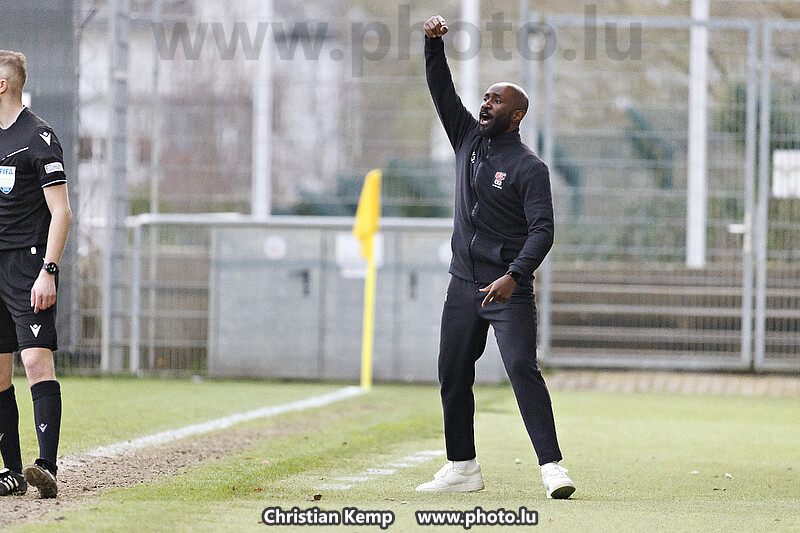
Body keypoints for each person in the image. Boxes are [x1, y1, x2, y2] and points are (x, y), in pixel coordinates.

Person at [416, 16, 575, 499]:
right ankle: (463, 468)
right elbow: (441, 91)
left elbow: (543, 231)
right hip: (463, 285)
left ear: (517, 115)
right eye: (485, 97)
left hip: (508, 290)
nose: (486, 104)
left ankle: (552, 468)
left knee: (522, 369)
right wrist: (432, 45)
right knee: (452, 372)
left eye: (496, 100)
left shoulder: (530, 168)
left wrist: (514, 276)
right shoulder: (466, 139)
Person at [0, 49, 72, 499]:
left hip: (28, 266)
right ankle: (10, 471)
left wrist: (49, 270)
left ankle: (46, 466)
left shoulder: (38, 137)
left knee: (34, 361)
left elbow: (62, 212)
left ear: (2, 84)